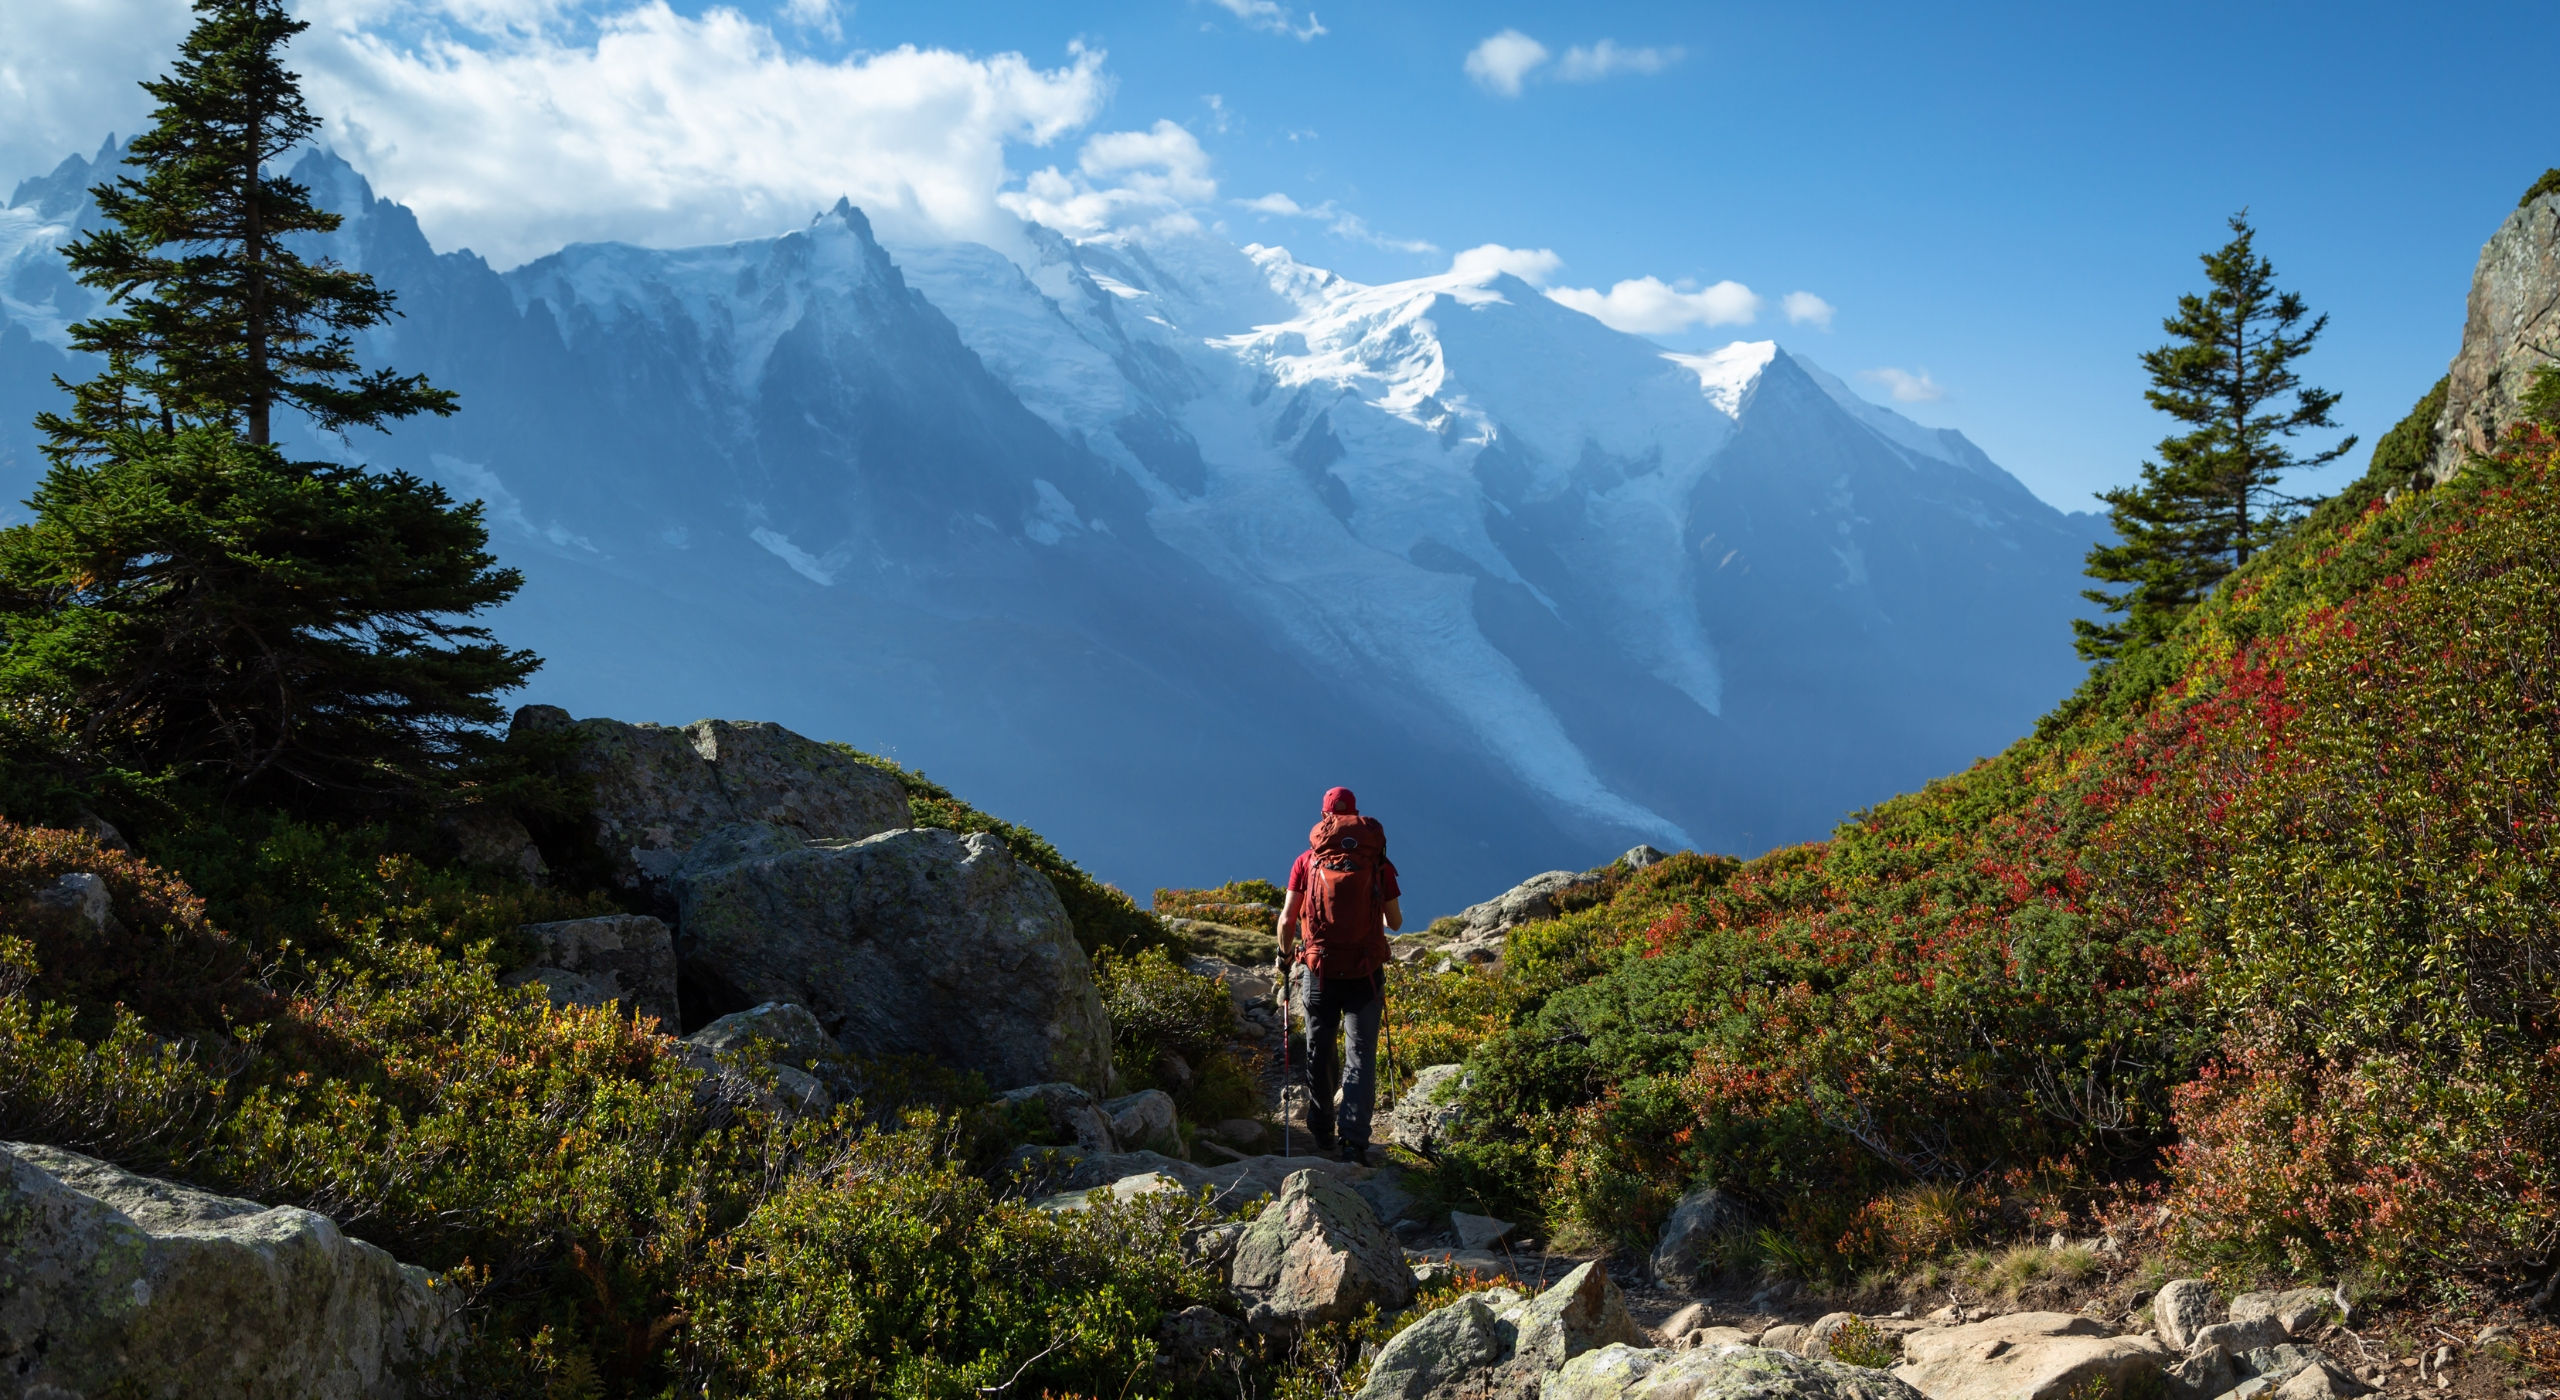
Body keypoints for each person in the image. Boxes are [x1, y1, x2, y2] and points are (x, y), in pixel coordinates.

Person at [1275, 786, 1402, 1162]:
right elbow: (1394, 922)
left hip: (1319, 969)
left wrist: (1285, 957)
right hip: (1365, 971)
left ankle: (1321, 1127)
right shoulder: (1379, 861)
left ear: (1325, 816)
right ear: (1356, 814)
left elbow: (1286, 920)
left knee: (1319, 1048)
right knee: (1361, 1054)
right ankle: (1354, 1141)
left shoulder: (1307, 860)